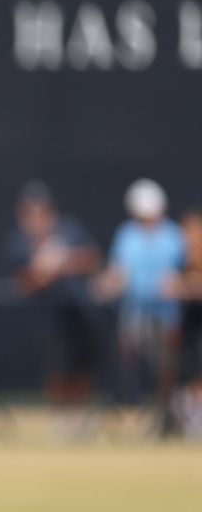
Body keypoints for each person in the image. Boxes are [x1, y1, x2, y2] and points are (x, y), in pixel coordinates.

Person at [4, 181, 102, 436]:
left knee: (82, 366)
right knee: (58, 367)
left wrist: (63, 262)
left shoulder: (68, 230)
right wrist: (42, 274)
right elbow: (20, 282)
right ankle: (61, 419)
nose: (37, 217)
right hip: (48, 317)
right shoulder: (19, 241)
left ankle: (81, 419)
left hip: (80, 312)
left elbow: (92, 258)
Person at [97, 178, 185, 434]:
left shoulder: (172, 235)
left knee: (165, 368)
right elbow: (118, 272)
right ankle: (132, 408)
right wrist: (107, 284)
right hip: (134, 313)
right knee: (130, 361)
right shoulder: (127, 236)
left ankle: (166, 415)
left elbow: (183, 272)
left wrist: (176, 284)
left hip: (166, 316)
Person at [166, 207, 202, 438]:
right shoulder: (181, 262)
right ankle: (192, 425)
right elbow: (169, 286)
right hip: (189, 328)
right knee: (187, 377)